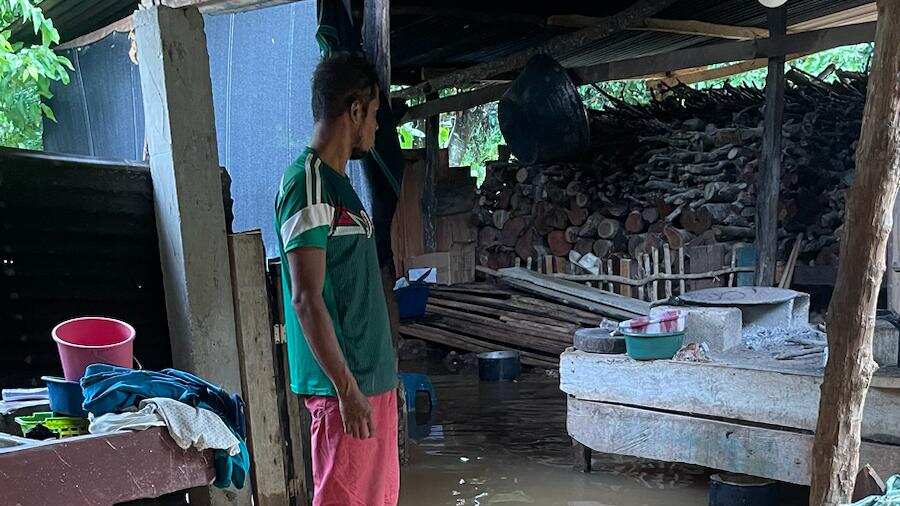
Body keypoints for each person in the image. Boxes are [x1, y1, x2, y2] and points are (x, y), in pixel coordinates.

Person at [274, 52, 398, 506]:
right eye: (376, 114)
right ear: (355, 110)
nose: (377, 127)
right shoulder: (307, 184)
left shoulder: (342, 185)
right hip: (343, 390)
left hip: (371, 383)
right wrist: (347, 390)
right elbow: (306, 299)